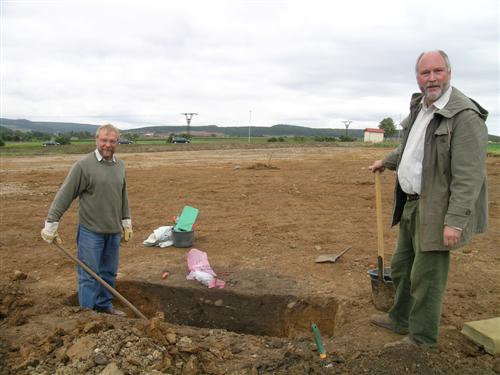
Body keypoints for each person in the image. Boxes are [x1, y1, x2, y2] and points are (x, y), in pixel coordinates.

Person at [369, 50, 488, 348]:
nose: (432, 78)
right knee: (401, 266)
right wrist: (388, 160)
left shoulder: (464, 116)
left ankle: (421, 339)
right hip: (411, 203)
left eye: (438, 71)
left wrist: (455, 221)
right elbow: (411, 147)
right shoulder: (420, 108)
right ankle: (401, 319)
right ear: (417, 77)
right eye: (425, 73)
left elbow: (469, 176)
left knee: (427, 275)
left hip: (437, 209)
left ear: (449, 72)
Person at [41, 124, 133, 316]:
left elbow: (123, 195)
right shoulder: (83, 166)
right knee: (89, 277)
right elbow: (65, 195)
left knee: (108, 273)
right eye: (104, 140)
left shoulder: (120, 166)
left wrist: (126, 221)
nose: (107, 145)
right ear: (96, 140)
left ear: (117, 142)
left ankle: (104, 307)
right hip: (91, 233)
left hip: (113, 232)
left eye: (112, 141)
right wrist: (51, 223)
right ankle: (87, 316)